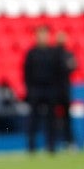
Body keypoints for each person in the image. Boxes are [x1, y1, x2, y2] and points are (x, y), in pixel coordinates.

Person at [23, 25, 60, 153]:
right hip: (36, 89)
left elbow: (58, 72)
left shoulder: (53, 53)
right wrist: (29, 90)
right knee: (33, 120)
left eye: (45, 34)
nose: (42, 37)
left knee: (51, 120)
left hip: (50, 89)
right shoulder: (31, 53)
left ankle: (51, 146)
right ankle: (31, 147)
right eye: (40, 35)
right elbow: (26, 73)